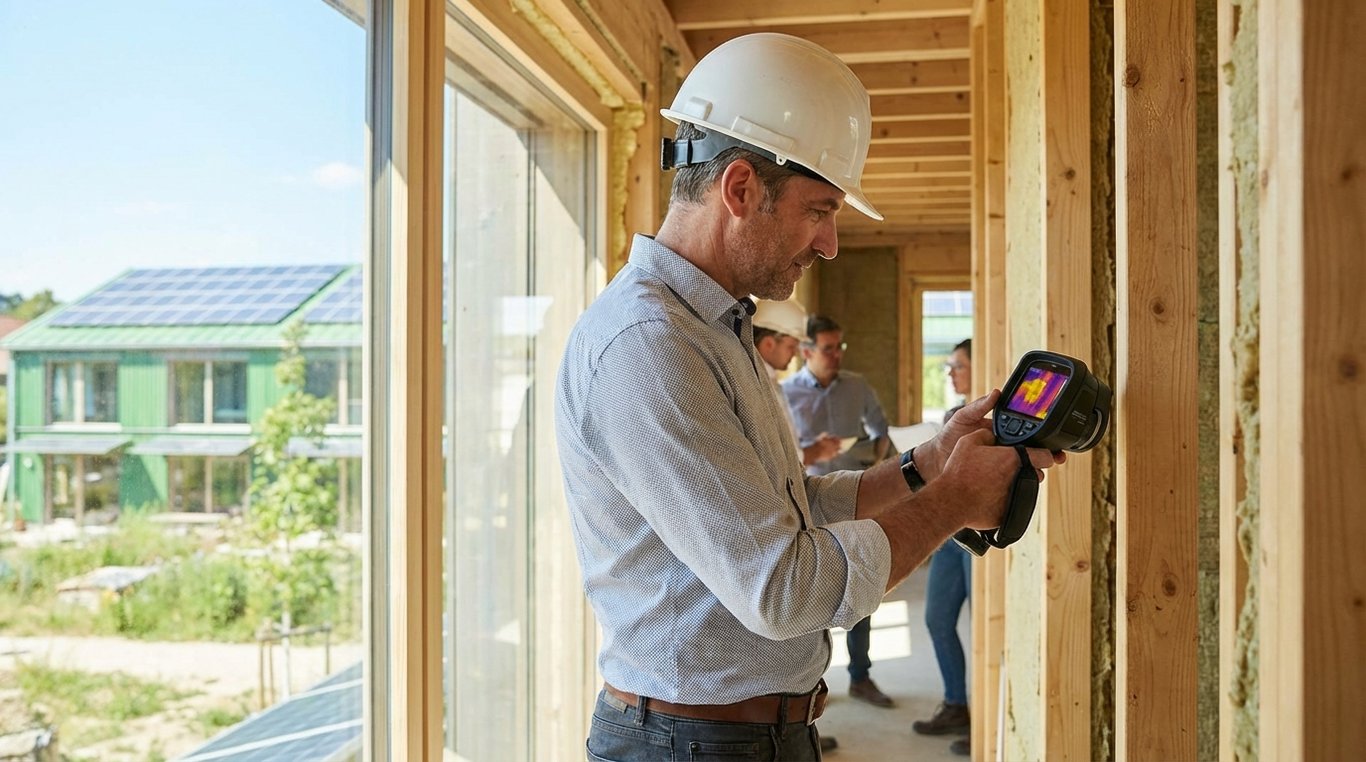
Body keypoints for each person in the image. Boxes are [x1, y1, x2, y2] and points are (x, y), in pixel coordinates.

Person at [555, 32, 1062, 761]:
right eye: (819, 210)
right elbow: (784, 588)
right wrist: (952, 504)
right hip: (688, 745)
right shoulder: (649, 346)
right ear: (739, 189)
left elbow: (786, 514)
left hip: (735, 736)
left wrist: (930, 463)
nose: (828, 243)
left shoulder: (718, 327)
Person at [781, 315, 896, 709]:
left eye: (839, 347)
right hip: (807, 505)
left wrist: (875, 466)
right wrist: (811, 453)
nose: (836, 355)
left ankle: (861, 676)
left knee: (863, 582)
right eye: (828, 348)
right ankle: (809, 689)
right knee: (808, 595)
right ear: (806, 351)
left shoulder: (858, 386)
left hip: (855, 500)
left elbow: (881, 431)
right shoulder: (784, 393)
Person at [913, 339, 975, 756]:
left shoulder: (993, 416)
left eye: (957, 365)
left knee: (983, 629)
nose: (951, 373)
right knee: (937, 619)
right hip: (951, 536)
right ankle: (956, 703)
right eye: (949, 366)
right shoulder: (955, 415)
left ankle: (982, 714)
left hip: (978, 535)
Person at [752, 299, 842, 467]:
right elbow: (782, 462)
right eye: (791, 346)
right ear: (769, 344)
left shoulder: (762, 380)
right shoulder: (757, 386)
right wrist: (816, 451)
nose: (796, 354)